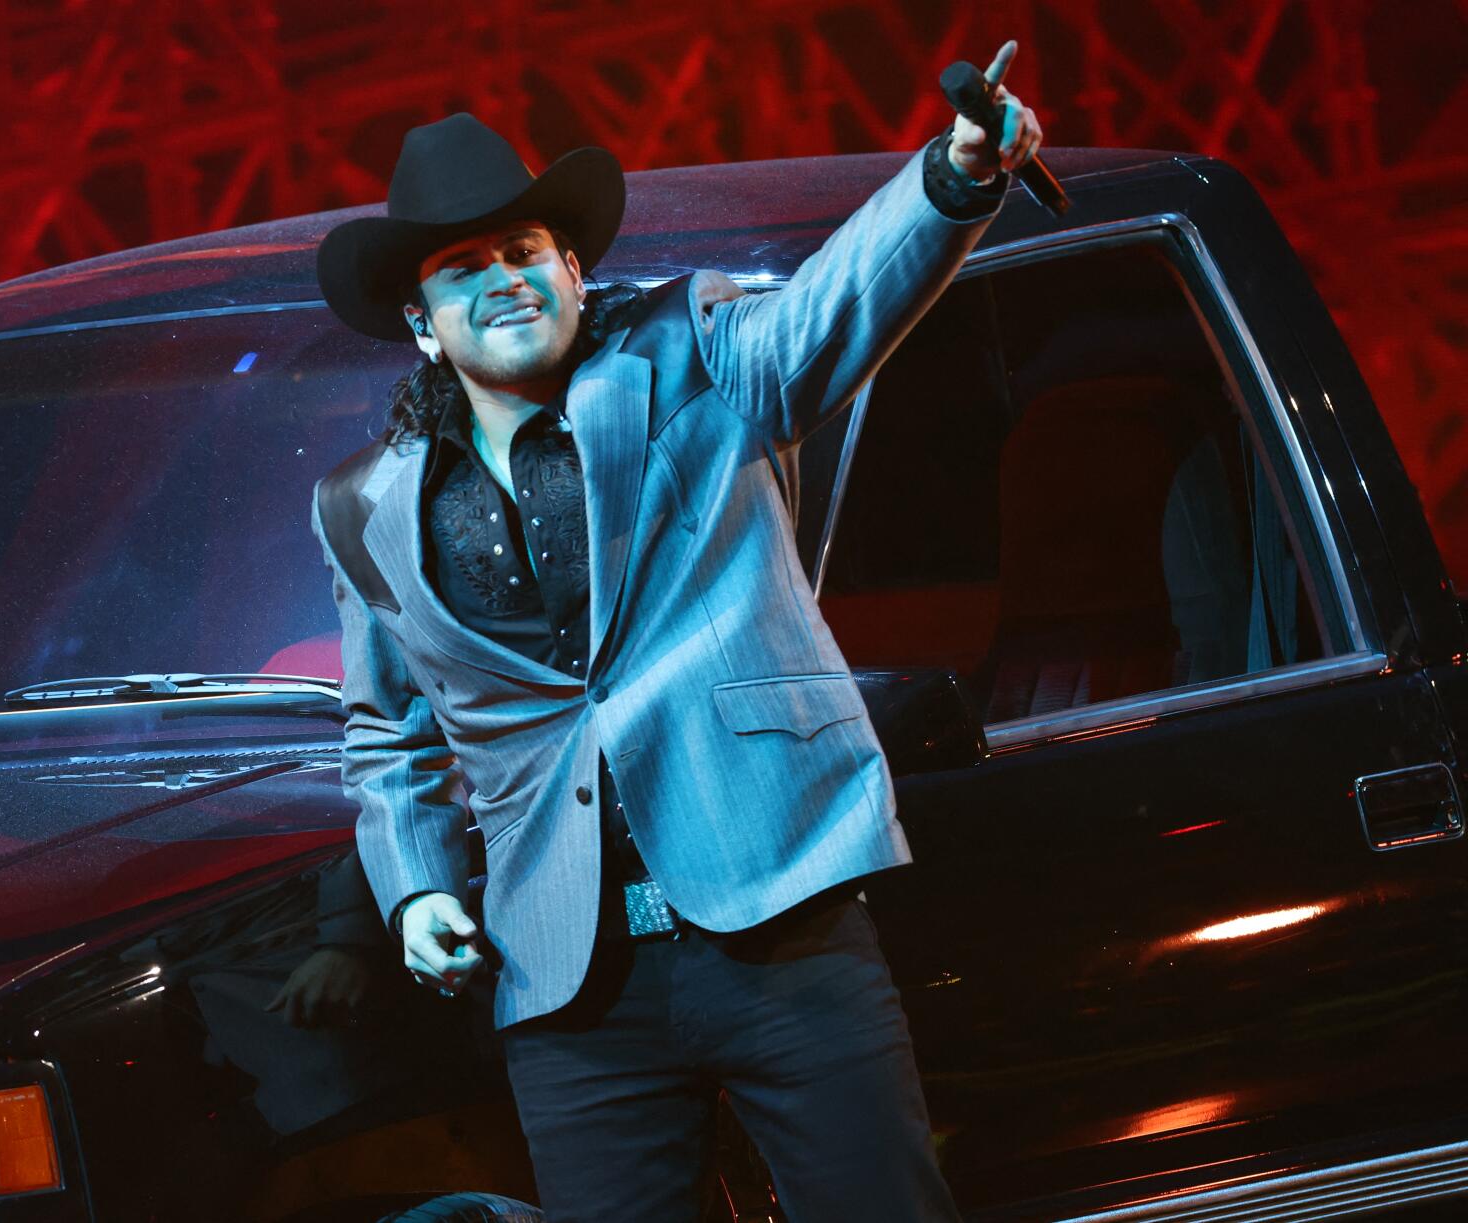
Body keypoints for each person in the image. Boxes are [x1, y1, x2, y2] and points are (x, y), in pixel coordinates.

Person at [309, 40, 1042, 1221]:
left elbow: (835, 307)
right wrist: (414, 890)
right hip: (567, 981)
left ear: (570, 272)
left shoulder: (695, 357)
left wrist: (951, 176)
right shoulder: (364, 505)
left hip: (776, 913)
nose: (501, 277)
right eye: (462, 268)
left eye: (522, 250)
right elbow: (386, 735)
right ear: (422, 321)